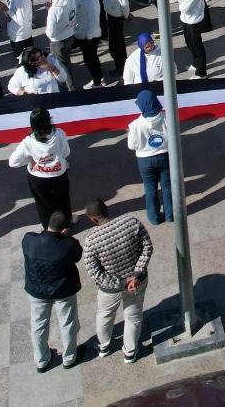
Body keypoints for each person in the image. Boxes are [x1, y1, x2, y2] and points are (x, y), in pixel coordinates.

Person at [84, 198, 152, 363]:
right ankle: (130, 352)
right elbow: (147, 247)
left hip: (110, 289)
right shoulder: (131, 222)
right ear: (106, 209)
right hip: (138, 282)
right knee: (133, 316)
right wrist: (135, 275)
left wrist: (120, 283)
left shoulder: (91, 240)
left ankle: (103, 347)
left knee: (105, 316)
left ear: (93, 219)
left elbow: (94, 272)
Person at [24, 210, 85, 373]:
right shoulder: (69, 245)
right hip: (63, 291)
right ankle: (69, 358)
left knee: (38, 324)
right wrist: (66, 238)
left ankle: (41, 360)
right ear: (65, 230)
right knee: (67, 324)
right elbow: (77, 256)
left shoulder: (29, 240)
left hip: (37, 291)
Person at [10, 107, 73, 229]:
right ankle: (66, 224)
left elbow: (13, 162)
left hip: (38, 179)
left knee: (44, 205)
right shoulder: (59, 133)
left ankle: (49, 229)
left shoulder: (28, 142)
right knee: (63, 201)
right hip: (59, 175)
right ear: (49, 119)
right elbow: (66, 152)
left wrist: (31, 160)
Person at [127, 89, 174, 224]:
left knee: (150, 189)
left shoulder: (135, 125)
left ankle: (154, 218)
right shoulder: (168, 117)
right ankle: (170, 215)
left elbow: (132, 145)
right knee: (167, 187)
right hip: (165, 156)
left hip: (145, 160)